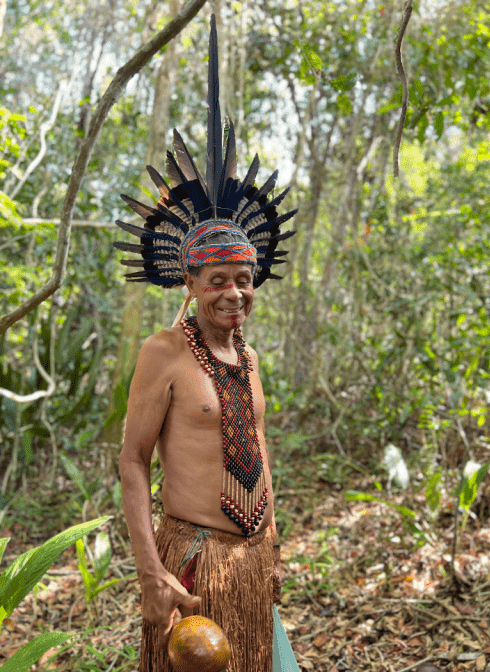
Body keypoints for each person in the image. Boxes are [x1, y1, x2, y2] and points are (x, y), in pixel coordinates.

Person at [116, 18, 297, 672]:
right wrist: (149, 574)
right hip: (191, 563)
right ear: (189, 282)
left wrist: (272, 550)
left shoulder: (247, 360)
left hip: (251, 566)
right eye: (218, 280)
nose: (233, 293)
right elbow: (134, 462)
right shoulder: (162, 354)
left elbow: (261, 451)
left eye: (244, 281)